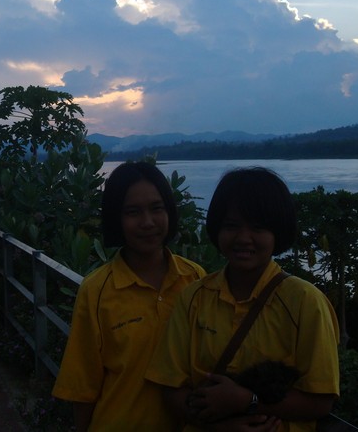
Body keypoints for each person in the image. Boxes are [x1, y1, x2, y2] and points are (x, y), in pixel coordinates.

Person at [146, 167, 340, 432]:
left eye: (258, 228)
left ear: (277, 232)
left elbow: (321, 401)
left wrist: (248, 401)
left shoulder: (305, 302)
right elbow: (170, 388)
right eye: (231, 226)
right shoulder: (193, 298)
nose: (243, 238)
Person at [52, 161, 206, 431]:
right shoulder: (97, 290)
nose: (147, 222)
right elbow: (83, 386)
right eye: (133, 212)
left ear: (169, 211)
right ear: (116, 218)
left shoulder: (195, 279)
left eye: (156, 208)